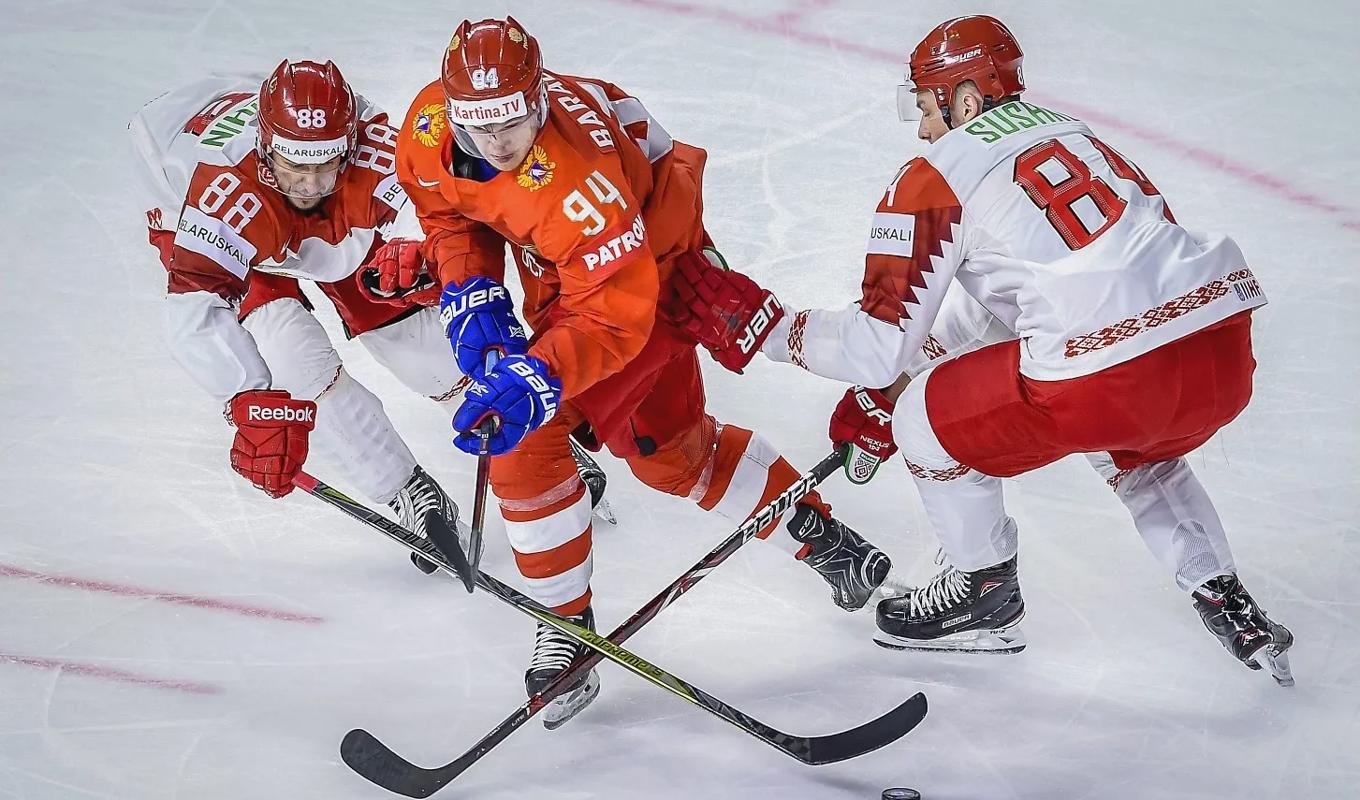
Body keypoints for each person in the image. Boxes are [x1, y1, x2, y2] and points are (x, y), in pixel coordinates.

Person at [668, 15, 1293, 684]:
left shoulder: (933, 174)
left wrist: (770, 329)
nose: (921, 127)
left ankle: (983, 596)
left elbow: (877, 345)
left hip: (1107, 373)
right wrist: (908, 370)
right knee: (1135, 442)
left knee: (927, 421)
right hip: (1221, 351)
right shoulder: (1073, 132)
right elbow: (1030, 303)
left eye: (925, 104)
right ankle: (1227, 599)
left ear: (966, 99)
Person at [383, 16, 894, 725]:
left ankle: (565, 624)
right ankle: (818, 534)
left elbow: (612, 317)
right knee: (671, 453)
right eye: (480, 127)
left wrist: (536, 377)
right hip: (586, 263)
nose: (498, 144)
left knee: (524, 431)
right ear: (451, 108)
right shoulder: (430, 124)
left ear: (540, 100)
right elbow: (446, 207)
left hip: (642, 270)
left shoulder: (577, 183)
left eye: (513, 123)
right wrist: (472, 284)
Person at [130, 60, 482, 572]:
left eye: (325, 163)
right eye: (296, 165)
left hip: (291, 195)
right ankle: (407, 489)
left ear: (349, 144)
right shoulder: (221, 193)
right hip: (204, 209)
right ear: (265, 149)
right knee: (291, 358)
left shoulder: (377, 149)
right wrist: (245, 394)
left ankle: (515, 426)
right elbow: (193, 308)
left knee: (399, 316)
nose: (311, 184)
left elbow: (454, 220)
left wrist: (428, 258)